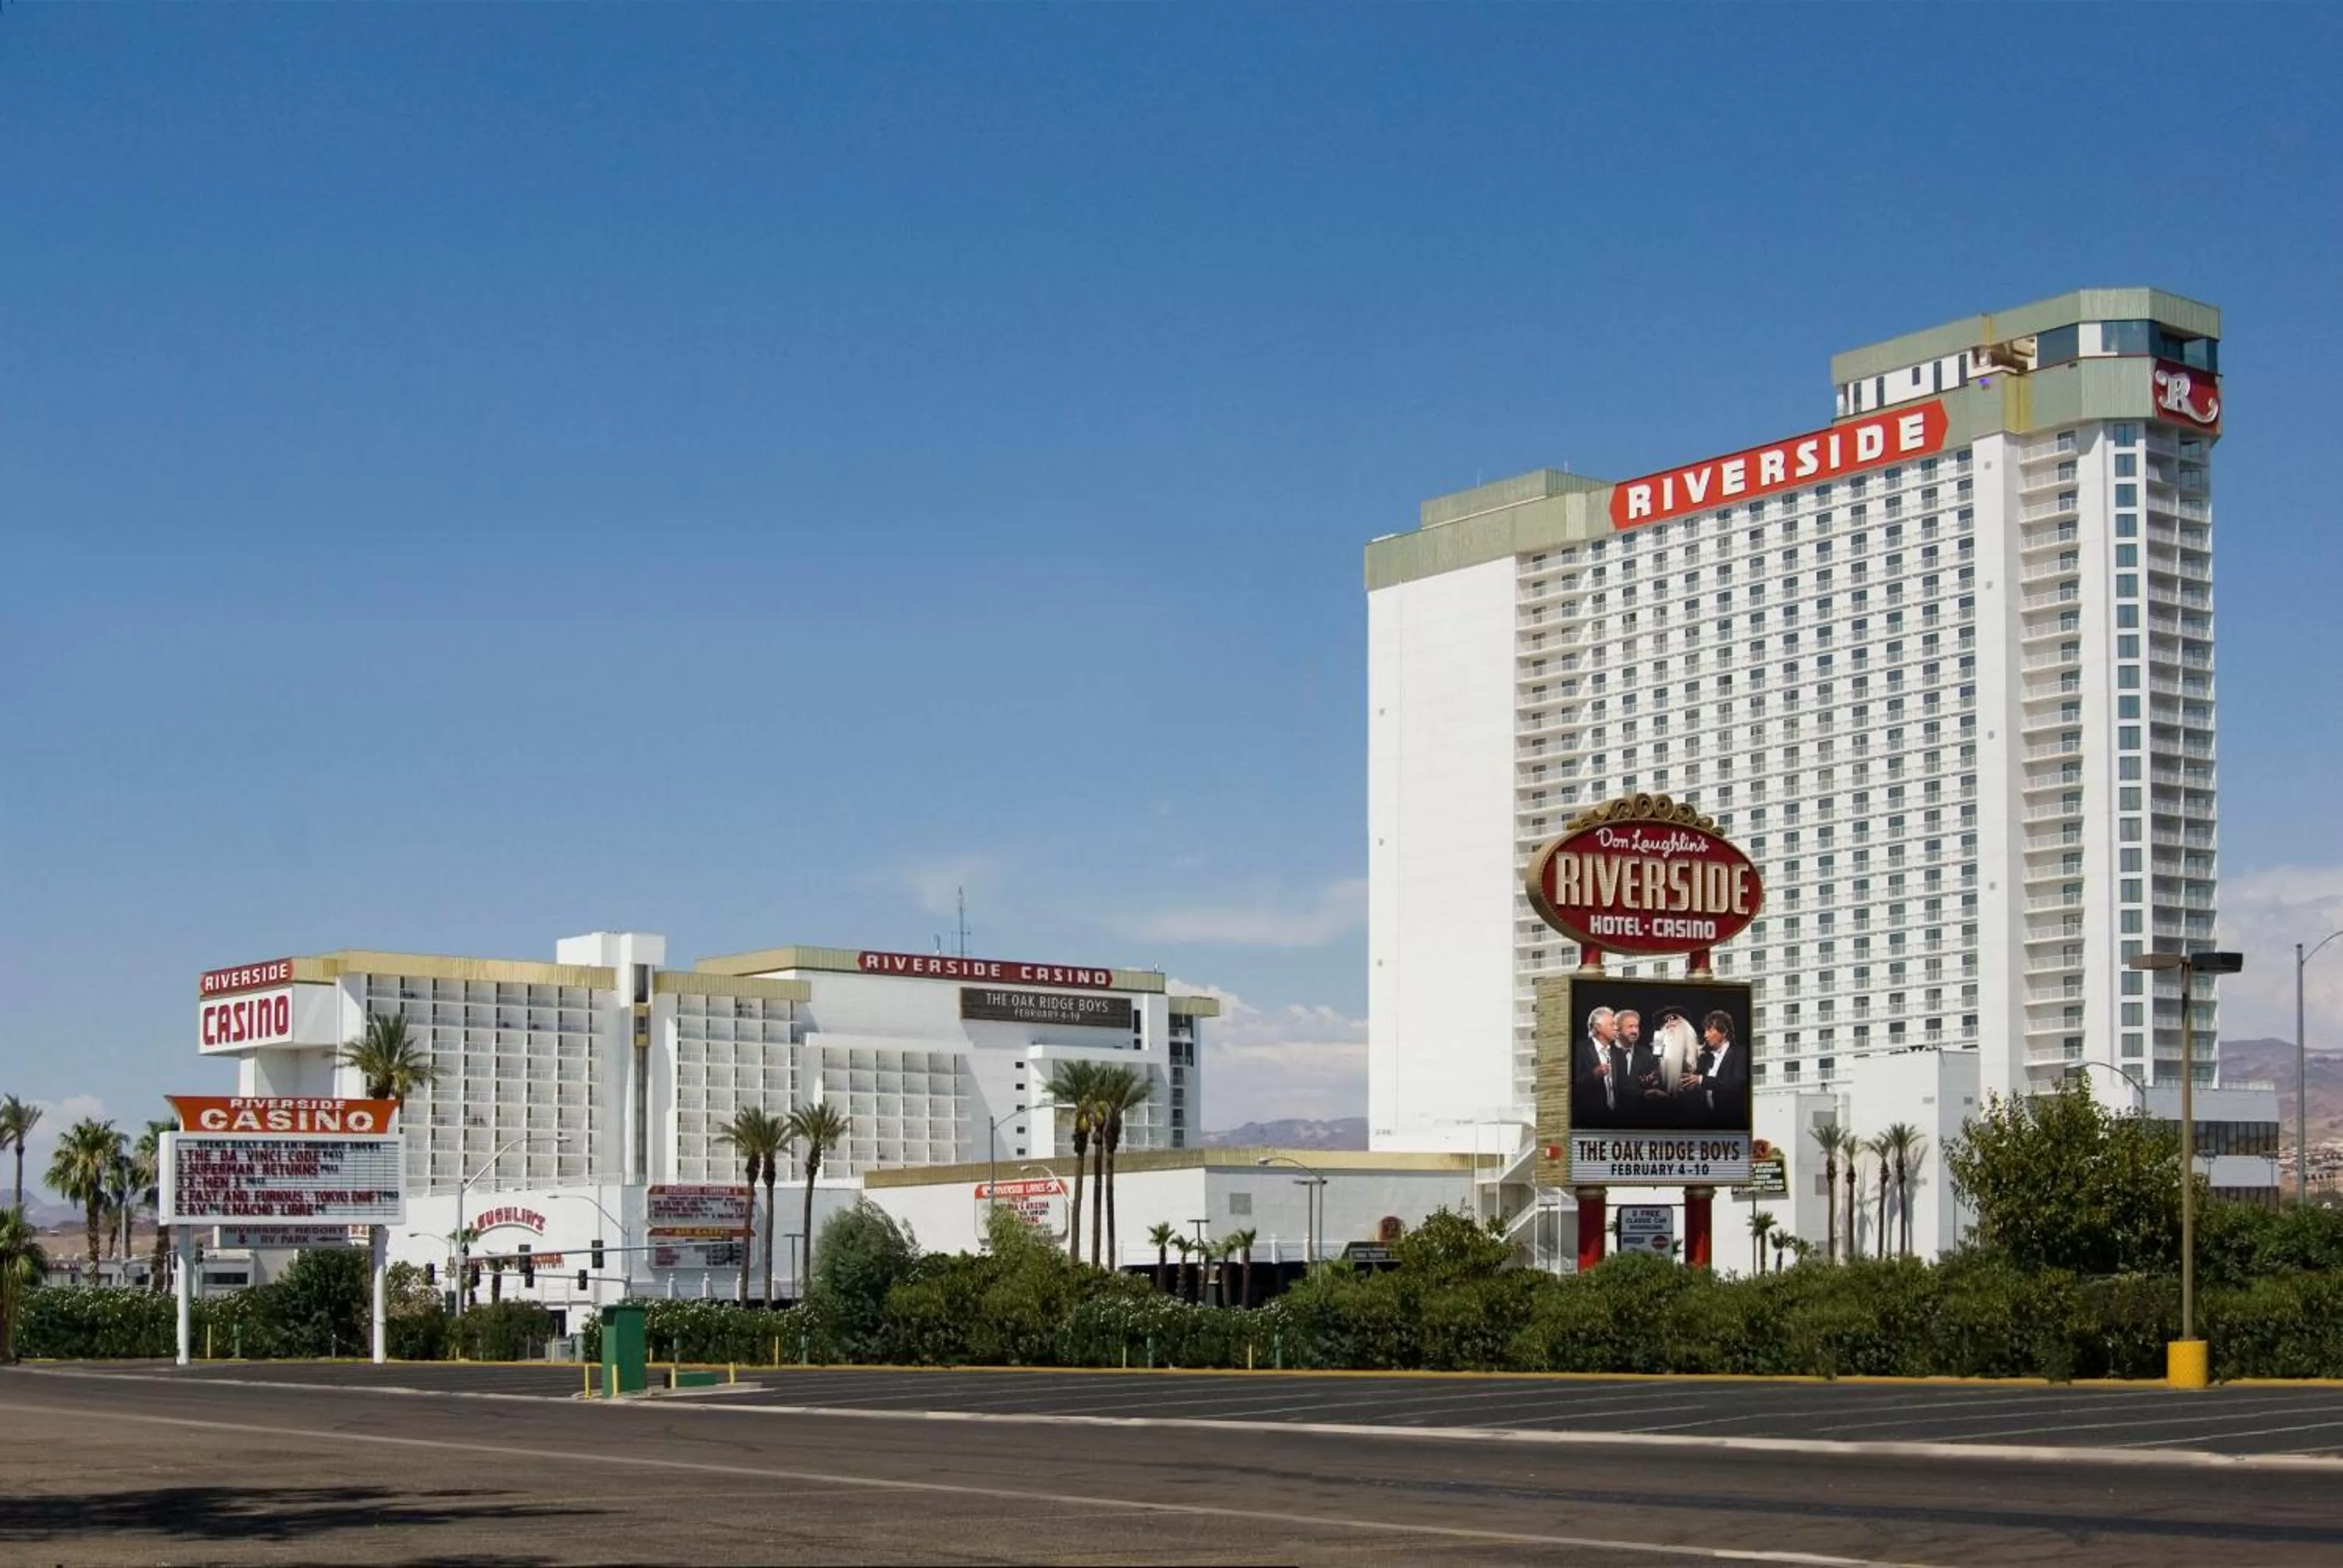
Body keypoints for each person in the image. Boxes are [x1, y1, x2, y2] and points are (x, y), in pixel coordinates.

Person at [1694, 1009, 1749, 1128]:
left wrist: (1701, 1080)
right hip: (1709, 1123)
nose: (1705, 1035)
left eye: (1710, 1030)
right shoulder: (1707, 1058)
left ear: (1724, 1032)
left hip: (1732, 1124)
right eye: (1705, 1031)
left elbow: (1734, 1084)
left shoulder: (1740, 1053)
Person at [1573, 1007, 1625, 1128]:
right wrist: (1593, 1075)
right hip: (1589, 1120)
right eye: (1612, 1024)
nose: (1616, 1028)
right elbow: (1570, 1084)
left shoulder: (1618, 1053)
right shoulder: (1579, 1049)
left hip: (1618, 1119)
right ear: (1598, 1027)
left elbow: (1622, 1087)